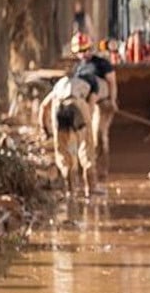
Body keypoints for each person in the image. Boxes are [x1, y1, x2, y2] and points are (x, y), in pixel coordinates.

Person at [71, 32, 118, 185]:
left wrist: (112, 100)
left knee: (99, 136)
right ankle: (85, 169)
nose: (83, 54)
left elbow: (112, 82)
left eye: (86, 50)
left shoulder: (101, 64)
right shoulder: (78, 68)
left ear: (91, 48)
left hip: (102, 104)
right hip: (85, 105)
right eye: (80, 52)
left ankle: (102, 170)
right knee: (83, 136)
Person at [39, 75, 97, 197]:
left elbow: (43, 107)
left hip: (59, 106)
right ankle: (90, 188)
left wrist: (45, 129)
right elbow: (91, 109)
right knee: (87, 148)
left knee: (63, 152)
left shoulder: (58, 87)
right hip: (77, 103)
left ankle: (70, 190)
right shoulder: (90, 84)